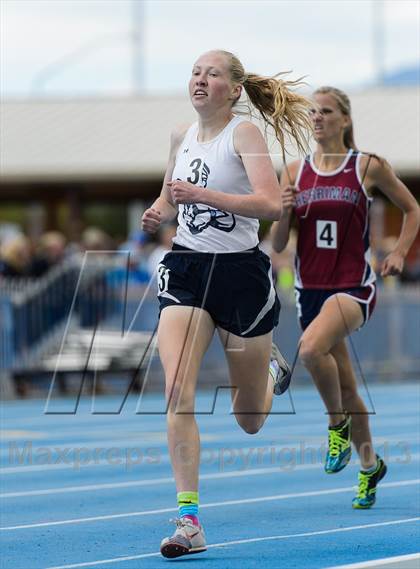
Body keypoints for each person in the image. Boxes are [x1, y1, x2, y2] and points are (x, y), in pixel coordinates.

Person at [141, 50, 312, 558]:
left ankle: (267, 371)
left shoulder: (244, 134)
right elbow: (173, 193)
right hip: (188, 268)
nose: (200, 79)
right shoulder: (181, 134)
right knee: (177, 391)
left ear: (233, 89)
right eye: (195, 71)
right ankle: (189, 521)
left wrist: (203, 194)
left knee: (249, 418)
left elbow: (267, 204)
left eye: (212, 74)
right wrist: (159, 209)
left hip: (240, 275)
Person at [271, 86, 419, 509]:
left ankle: (336, 426)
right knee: (349, 387)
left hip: (354, 285)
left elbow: (413, 209)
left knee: (310, 348)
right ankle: (371, 467)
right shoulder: (294, 171)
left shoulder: (367, 166)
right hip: (310, 290)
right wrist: (283, 211)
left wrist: (398, 251)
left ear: (345, 119)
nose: (317, 117)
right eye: (313, 112)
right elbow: (281, 241)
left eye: (326, 111)